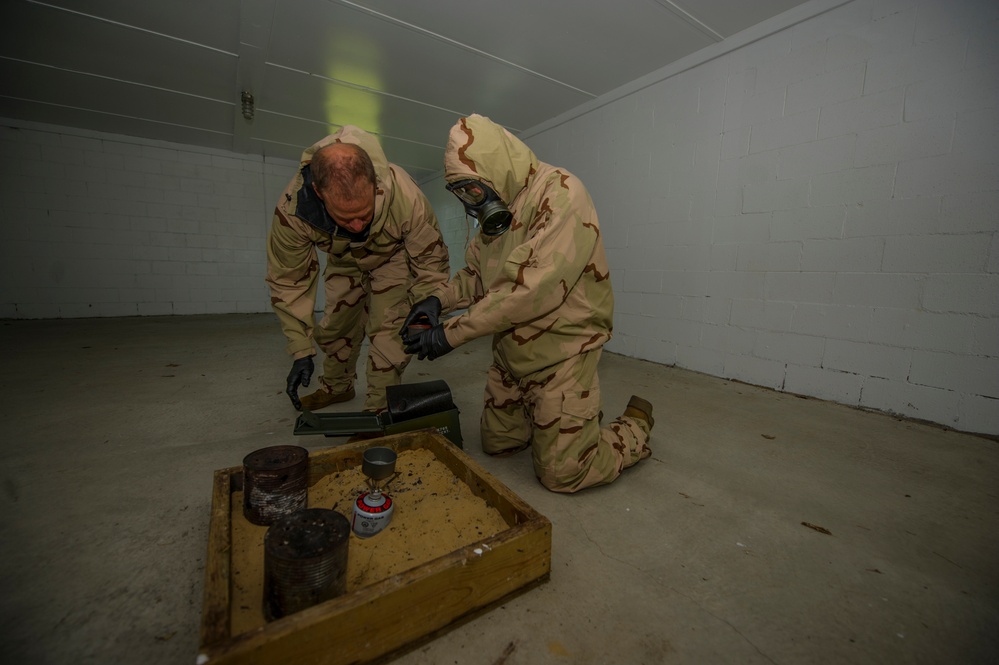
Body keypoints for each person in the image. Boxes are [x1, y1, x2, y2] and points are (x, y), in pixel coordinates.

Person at [401, 114, 654, 493]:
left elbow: (530, 290)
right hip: (511, 354)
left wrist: (448, 335)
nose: (471, 205)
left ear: (496, 169)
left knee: (563, 475)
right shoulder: (497, 215)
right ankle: (568, 419)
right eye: (462, 194)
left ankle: (631, 426)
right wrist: (436, 301)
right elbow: (475, 276)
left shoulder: (563, 194)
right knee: (498, 448)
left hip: (561, 353)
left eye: (473, 191)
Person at [267, 126, 450, 413]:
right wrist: (300, 349)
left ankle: (378, 411)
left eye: (364, 215)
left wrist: (429, 306)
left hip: (393, 259)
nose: (356, 226)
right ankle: (337, 388)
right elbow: (288, 281)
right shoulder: (294, 211)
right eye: (345, 217)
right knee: (335, 327)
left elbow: (431, 263)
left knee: (388, 335)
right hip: (343, 260)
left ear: (375, 184)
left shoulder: (406, 196)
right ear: (319, 192)